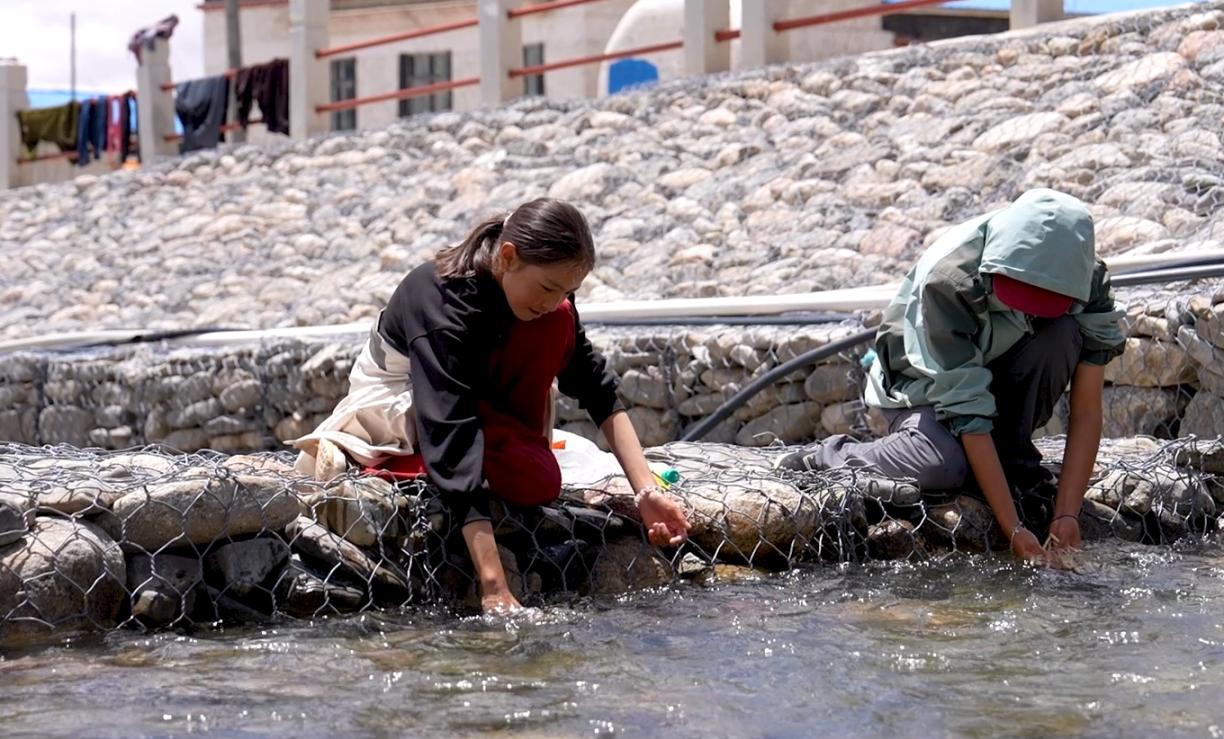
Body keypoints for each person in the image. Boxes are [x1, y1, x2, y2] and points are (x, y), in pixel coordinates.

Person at [292, 198, 691, 612]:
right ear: (507, 257)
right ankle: (403, 460)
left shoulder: (546, 301)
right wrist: (494, 585)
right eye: (548, 288)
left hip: (477, 393)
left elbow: (598, 389)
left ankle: (501, 442)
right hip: (401, 392)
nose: (555, 300)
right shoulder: (444, 301)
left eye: (566, 291)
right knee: (525, 476)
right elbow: (451, 430)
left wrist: (645, 492)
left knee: (558, 327)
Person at [777, 189, 1125, 563]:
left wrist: (1066, 515)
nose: (1026, 309)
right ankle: (827, 456)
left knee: (1063, 334)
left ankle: (1007, 456)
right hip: (920, 386)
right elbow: (969, 415)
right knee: (944, 464)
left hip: (993, 375)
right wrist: (1014, 530)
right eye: (1016, 297)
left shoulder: (1083, 279)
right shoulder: (950, 281)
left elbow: (1087, 410)